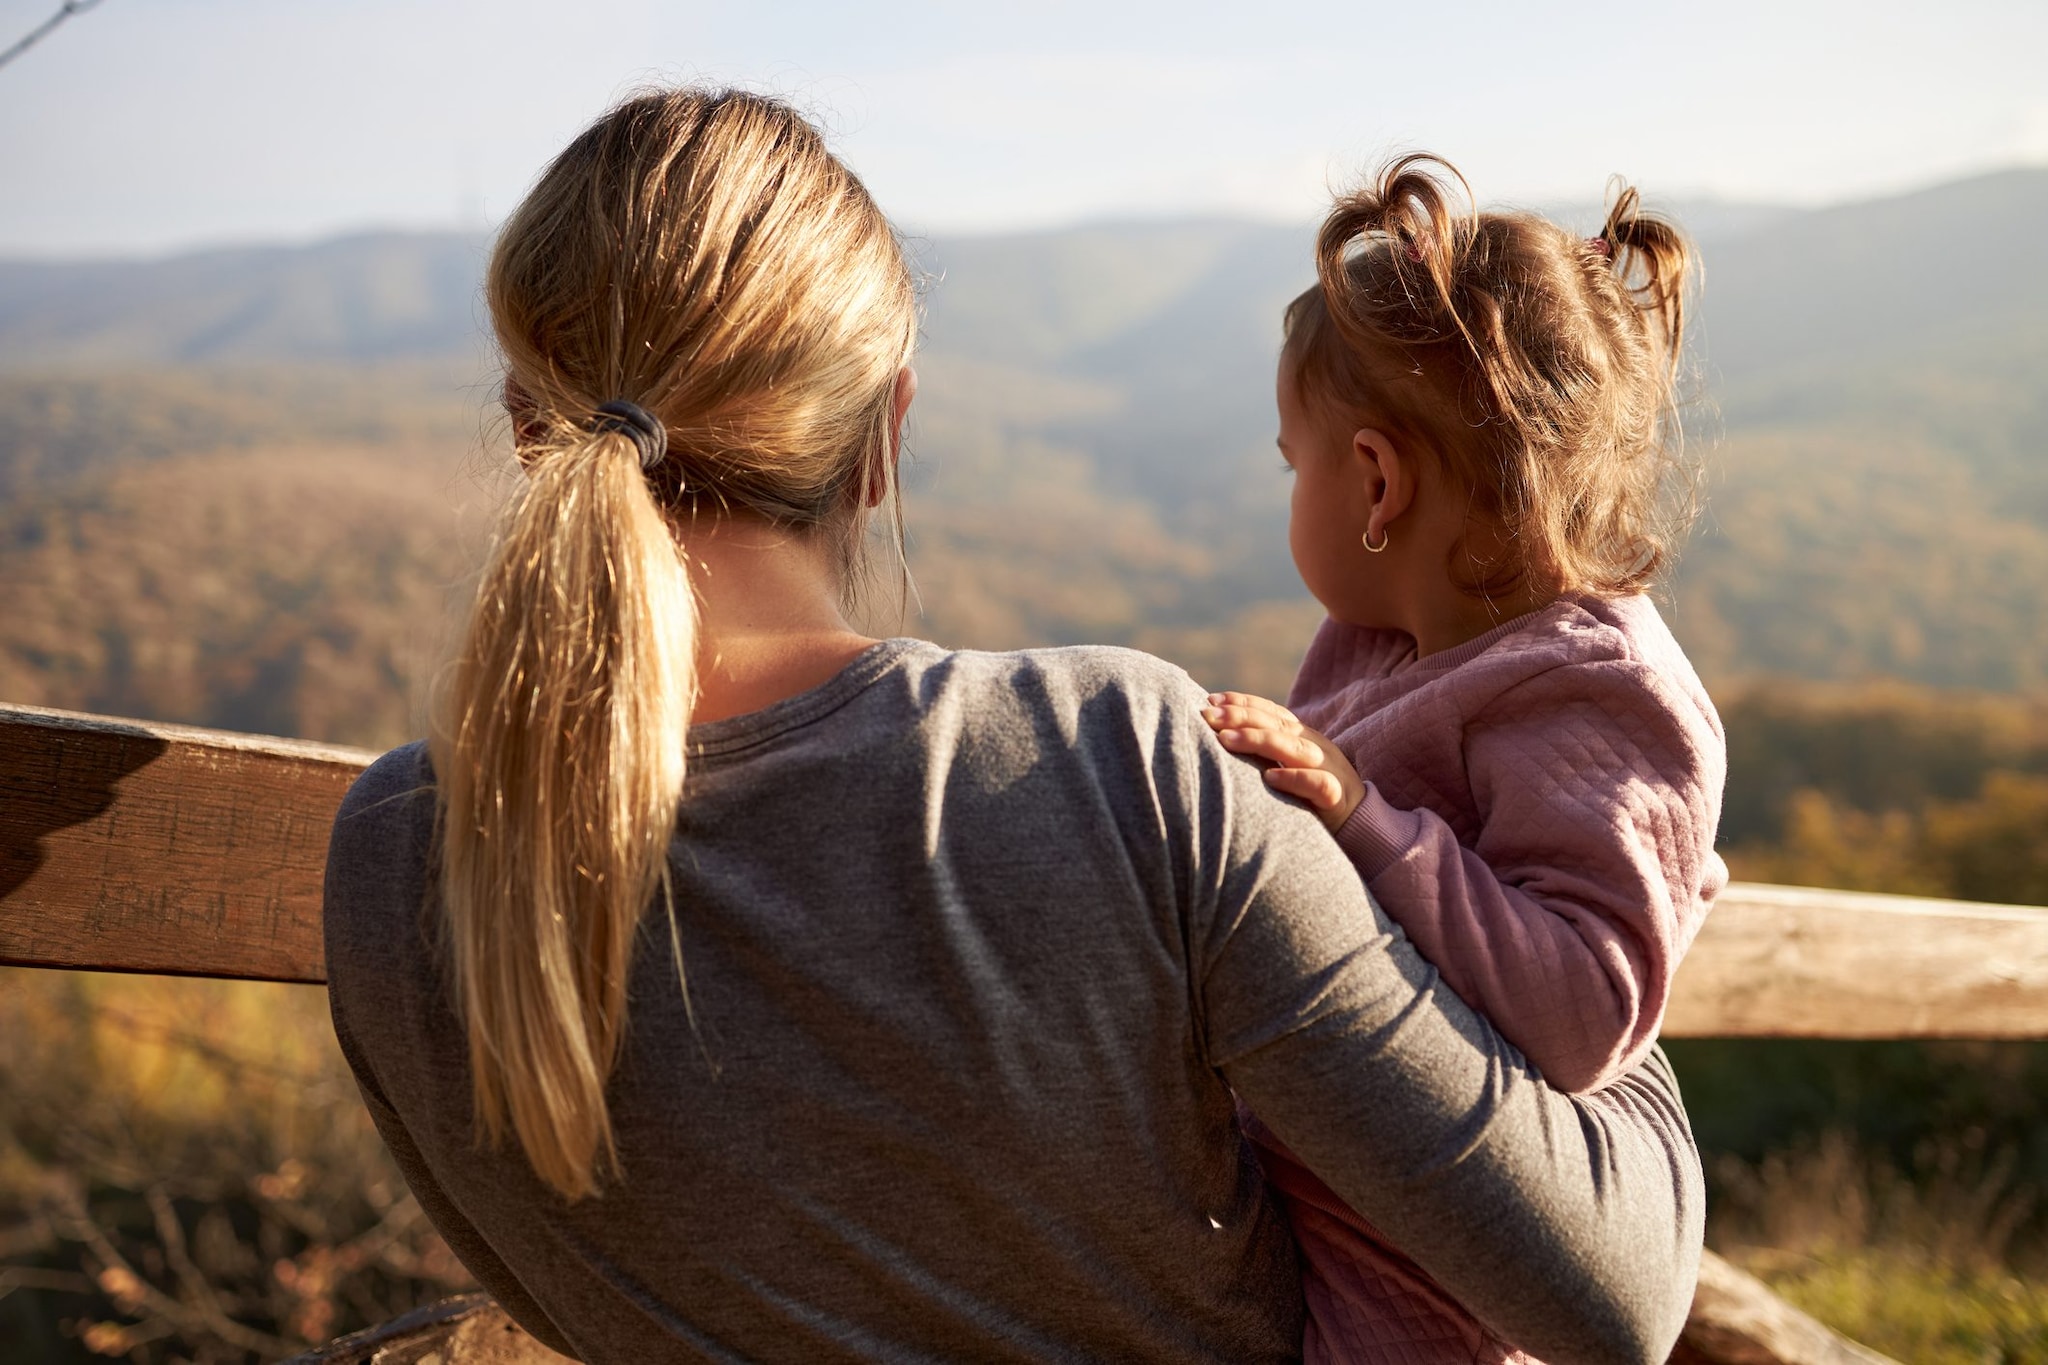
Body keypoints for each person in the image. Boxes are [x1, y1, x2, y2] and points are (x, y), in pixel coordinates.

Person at [322, 89, 1705, 1365]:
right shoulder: (1125, 773)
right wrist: (1616, 876)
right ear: (883, 440)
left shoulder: (392, 872)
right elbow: (1613, 1294)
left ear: (527, 429)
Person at [1201, 154, 1725, 1364]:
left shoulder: (1601, 694)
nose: (1292, 491)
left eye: (1295, 463)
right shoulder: (1380, 644)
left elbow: (1584, 1010)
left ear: (1375, 479)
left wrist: (1361, 816)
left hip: (1411, 1285)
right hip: (1302, 1182)